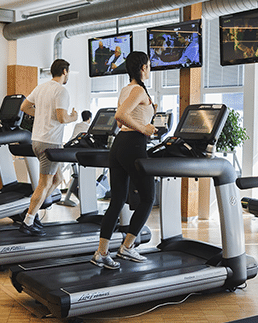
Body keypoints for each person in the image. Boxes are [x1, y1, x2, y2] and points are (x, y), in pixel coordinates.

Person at [90, 51, 157, 269]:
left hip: (119, 145)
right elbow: (120, 116)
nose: (149, 69)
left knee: (117, 201)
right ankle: (128, 247)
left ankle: (101, 253)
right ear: (143, 68)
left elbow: (120, 123)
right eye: (148, 65)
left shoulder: (126, 90)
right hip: (134, 144)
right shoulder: (138, 90)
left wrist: (140, 122)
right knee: (148, 197)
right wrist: (145, 129)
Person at [19, 59, 78, 236]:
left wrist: (42, 115)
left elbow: (24, 107)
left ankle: (33, 209)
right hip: (49, 142)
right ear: (65, 71)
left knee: (58, 179)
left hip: (37, 141)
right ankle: (28, 220)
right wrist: (73, 117)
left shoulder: (41, 87)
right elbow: (62, 118)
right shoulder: (61, 91)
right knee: (44, 184)